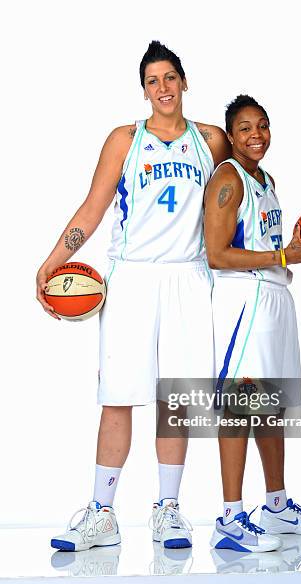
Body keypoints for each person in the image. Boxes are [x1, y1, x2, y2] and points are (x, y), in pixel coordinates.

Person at [36, 41, 230, 552]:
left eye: (170, 78)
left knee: (175, 402)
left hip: (189, 277)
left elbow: (240, 201)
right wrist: (55, 258)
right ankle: (102, 513)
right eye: (152, 81)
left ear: (184, 82)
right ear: (143, 91)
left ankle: (168, 510)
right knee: (117, 397)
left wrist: (285, 253)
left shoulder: (211, 141)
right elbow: (94, 207)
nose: (162, 88)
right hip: (133, 278)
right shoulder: (126, 139)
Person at [204, 95, 301, 553]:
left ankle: (275, 506)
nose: (256, 134)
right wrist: (282, 256)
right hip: (246, 301)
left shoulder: (266, 179)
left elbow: (267, 242)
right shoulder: (228, 178)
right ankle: (230, 518)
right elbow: (217, 254)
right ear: (230, 135)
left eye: (262, 125)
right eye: (245, 128)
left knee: (272, 404)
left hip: (277, 295)